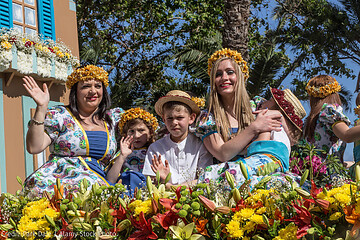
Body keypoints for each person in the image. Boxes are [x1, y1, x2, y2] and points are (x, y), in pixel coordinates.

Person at [23, 65, 124, 196]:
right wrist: (41, 107)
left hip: (99, 182)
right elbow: (34, 147)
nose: (93, 91)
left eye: (98, 86)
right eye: (86, 86)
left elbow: (142, 136)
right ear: (75, 91)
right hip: (61, 181)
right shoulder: (60, 116)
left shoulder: (113, 119)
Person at [199, 88, 307, 187]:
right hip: (275, 162)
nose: (263, 101)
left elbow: (260, 146)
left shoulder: (268, 122)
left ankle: (193, 184)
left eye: (269, 100)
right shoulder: (278, 128)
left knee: (231, 172)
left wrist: (241, 150)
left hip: (267, 159)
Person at [194, 48, 283, 164]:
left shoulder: (257, 105)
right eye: (218, 74)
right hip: (227, 178)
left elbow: (262, 148)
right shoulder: (207, 118)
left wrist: (234, 148)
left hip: (259, 173)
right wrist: (254, 128)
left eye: (230, 72)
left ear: (240, 76)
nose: (224, 78)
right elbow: (223, 154)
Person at [142, 90, 213, 187]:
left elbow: (205, 178)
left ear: (191, 118)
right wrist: (162, 180)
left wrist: (174, 187)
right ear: (164, 119)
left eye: (179, 118)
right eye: (170, 118)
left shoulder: (201, 145)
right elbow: (150, 182)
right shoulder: (155, 148)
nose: (174, 122)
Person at [304, 75, 360, 166]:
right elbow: (346, 135)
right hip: (328, 175)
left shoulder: (310, 120)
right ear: (334, 94)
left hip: (313, 173)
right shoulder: (328, 111)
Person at [106, 107, 158, 192]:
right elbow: (110, 180)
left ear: (150, 133)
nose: (136, 136)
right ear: (125, 134)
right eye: (131, 131)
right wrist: (122, 156)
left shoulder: (155, 152)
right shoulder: (121, 153)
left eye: (141, 130)